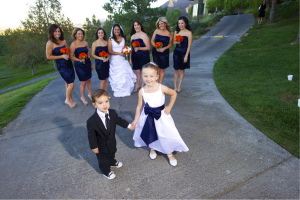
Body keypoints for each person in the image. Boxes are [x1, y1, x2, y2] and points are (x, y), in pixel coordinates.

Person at [131, 62, 189, 167]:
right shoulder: (142, 91)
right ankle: (153, 148)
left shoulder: (161, 88)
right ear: (142, 76)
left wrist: (169, 106)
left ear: (157, 76)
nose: (148, 79)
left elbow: (174, 93)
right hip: (147, 115)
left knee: (165, 134)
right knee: (150, 132)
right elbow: (139, 106)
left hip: (161, 115)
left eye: (151, 76)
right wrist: (136, 119)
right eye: (145, 76)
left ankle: (169, 153)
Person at [87, 89, 134, 179]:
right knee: (103, 159)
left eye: (106, 101)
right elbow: (91, 135)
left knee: (112, 152)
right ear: (94, 105)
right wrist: (93, 146)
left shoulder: (112, 113)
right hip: (101, 146)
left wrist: (128, 125)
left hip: (112, 141)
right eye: (100, 103)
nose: (104, 105)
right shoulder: (91, 121)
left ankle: (112, 162)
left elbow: (119, 120)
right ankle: (106, 171)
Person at [46, 24, 76, 108]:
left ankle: (71, 101)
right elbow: (48, 56)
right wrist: (61, 56)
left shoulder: (63, 41)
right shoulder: (50, 43)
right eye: (55, 31)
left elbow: (67, 52)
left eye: (58, 31)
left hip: (68, 63)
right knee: (71, 84)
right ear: (51, 32)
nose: (57, 33)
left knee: (68, 82)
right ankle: (67, 99)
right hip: (61, 65)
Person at [108, 24, 137, 97]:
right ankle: (118, 91)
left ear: (120, 30)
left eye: (118, 29)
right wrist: (119, 53)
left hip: (122, 60)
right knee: (117, 77)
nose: (117, 31)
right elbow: (110, 51)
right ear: (113, 30)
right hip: (115, 61)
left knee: (124, 75)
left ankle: (126, 90)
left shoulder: (123, 38)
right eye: (115, 29)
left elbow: (124, 49)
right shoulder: (110, 39)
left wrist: (125, 53)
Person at [70, 28, 94, 105]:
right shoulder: (73, 44)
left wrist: (91, 64)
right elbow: (71, 56)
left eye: (82, 34)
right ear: (75, 35)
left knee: (88, 80)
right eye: (79, 34)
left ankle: (90, 95)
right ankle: (82, 97)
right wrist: (79, 60)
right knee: (83, 82)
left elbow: (88, 55)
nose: (80, 35)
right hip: (79, 65)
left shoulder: (85, 43)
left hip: (87, 63)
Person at [151, 17, 173, 84]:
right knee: (157, 69)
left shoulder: (170, 33)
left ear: (165, 23)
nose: (161, 25)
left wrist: (164, 48)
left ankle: (160, 84)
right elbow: (152, 41)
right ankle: (156, 84)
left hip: (164, 52)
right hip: (156, 52)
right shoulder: (156, 31)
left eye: (162, 23)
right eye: (159, 24)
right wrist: (156, 47)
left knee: (162, 69)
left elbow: (171, 44)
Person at [130, 20, 150, 92]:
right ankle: (137, 85)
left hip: (143, 56)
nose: (136, 26)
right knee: (136, 72)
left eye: (137, 25)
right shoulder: (132, 36)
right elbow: (131, 48)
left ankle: (142, 86)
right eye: (135, 25)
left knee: (143, 72)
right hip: (135, 56)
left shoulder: (144, 35)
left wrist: (139, 48)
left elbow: (148, 47)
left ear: (140, 26)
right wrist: (130, 58)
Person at [173, 16, 192, 93]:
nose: (180, 25)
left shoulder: (189, 33)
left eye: (182, 23)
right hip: (177, 52)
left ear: (185, 23)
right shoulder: (176, 32)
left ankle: (180, 85)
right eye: (179, 23)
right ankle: (175, 86)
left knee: (182, 70)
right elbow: (173, 42)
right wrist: (177, 42)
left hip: (184, 52)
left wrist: (186, 56)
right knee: (176, 70)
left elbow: (189, 45)